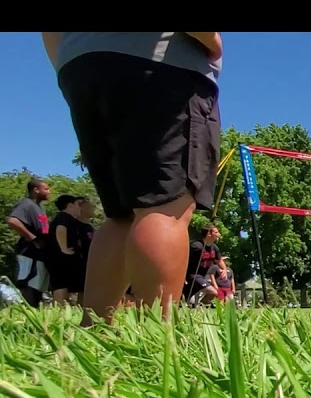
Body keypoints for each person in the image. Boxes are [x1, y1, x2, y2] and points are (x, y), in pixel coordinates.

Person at [43, 32, 223, 325]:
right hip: (162, 66)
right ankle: (156, 339)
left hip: (78, 65)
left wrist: (68, 57)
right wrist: (211, 40)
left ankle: (94, 329)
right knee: (164, 209)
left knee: (120, 215)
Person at [7, 178, 52, 307]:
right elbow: (12, 221)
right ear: (36, 190)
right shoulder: (26, 204)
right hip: (29, 251)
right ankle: (28, 313)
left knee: (38, 285)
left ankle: (36, 311)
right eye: (46, 189)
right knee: (28, 283)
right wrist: (32, 238)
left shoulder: (38, 207)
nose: (49, 191)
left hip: (39, 253)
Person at [50, 194, 95, 305]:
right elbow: (60, 229)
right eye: (77, 204)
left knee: (76, 285)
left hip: (65, 257)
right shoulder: (64, 217)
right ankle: (59, 309)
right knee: (61, 284)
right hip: (60, 258)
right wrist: (64, 248)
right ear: (70, 205)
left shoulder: (67, 219)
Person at [185, 225, 221, 306]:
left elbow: (219, 260)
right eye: (216, 232)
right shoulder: (196, 246)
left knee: (184, 298)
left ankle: (200, 305)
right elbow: (184, 259)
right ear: (209, 234)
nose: (219, 234)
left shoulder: (214, 248)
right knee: (214, 292)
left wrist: (224, 270)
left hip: (202, 276)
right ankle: (201, 305)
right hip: (193, 276)